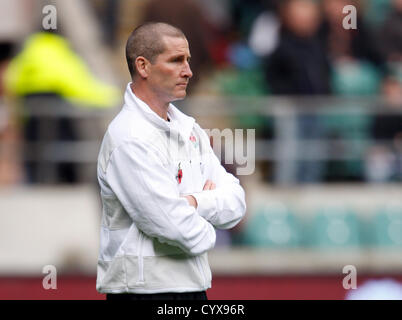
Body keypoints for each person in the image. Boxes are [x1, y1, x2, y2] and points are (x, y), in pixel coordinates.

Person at [96, 22, 246, 300]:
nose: (188, 71)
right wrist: (210, 218)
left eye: (187, 60)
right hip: (142, 292)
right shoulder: (129, 137)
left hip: (191, 288)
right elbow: (172, 225)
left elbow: (237, 203)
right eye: (176, 60)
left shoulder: (190, 129)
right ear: (143, 66)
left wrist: (193, 202)